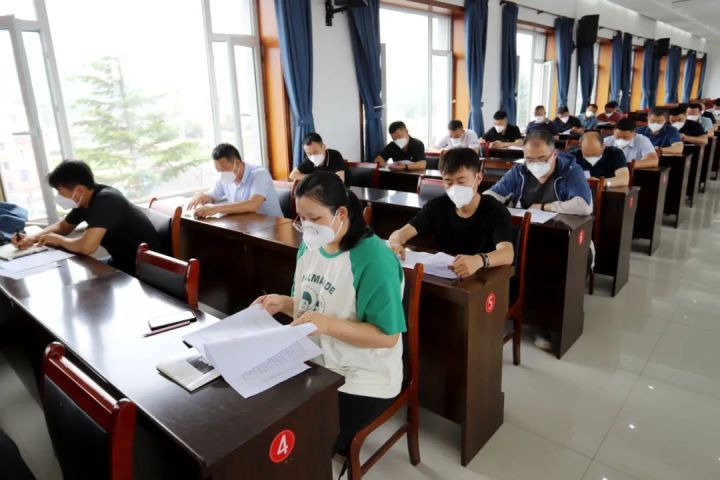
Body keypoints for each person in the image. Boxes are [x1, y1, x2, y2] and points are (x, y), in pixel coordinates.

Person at [253, 172, 406, 457]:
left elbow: (387, 337)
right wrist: (282, 303)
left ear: (341, 213)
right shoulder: (310, 245)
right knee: (266, 422)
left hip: (363, 376)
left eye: (315, 218)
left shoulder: (374, 259)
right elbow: (313, 306)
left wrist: (327, 326)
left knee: (306, 446)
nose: (307, 227)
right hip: (315, 360)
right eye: (302, 219)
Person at [11, 160, 160, 276]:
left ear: (80, 190)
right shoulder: (85, 200)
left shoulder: (106, 200)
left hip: (146, 269)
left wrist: (59, 240)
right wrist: (32, 238)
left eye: (60, 192)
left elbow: (86, 247)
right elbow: (63, 227)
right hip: (121, 262)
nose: (59, 197)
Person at [387, 148, 514, 277]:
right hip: (445, 276)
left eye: (461, 182)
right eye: (448, 182)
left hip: (482, 277)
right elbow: (401, 233)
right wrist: (395, 242)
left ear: (479, 178)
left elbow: (507, 253)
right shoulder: (437, 205)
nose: (455, 188)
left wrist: (479, 260)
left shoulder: (496, 210)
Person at [484, 129, 593, 215]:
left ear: (554, 154)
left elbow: (584, 206)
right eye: (529, 159)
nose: (535, 164)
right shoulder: (520, 171)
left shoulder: (571, 170)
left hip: (561, 228)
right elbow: (492, 194)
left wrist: (544, 207)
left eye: (542, 159)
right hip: (528, 226)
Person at [187, 143, 283, 218]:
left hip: (273, 228)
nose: (221, 174)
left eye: (224, 170)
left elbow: (253, 205)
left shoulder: (259, 174)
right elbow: (211, 196)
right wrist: (200, 196)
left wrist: (216, 208)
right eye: (218, 170)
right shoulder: (224, 177)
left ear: (237, 163)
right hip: (247, 225)